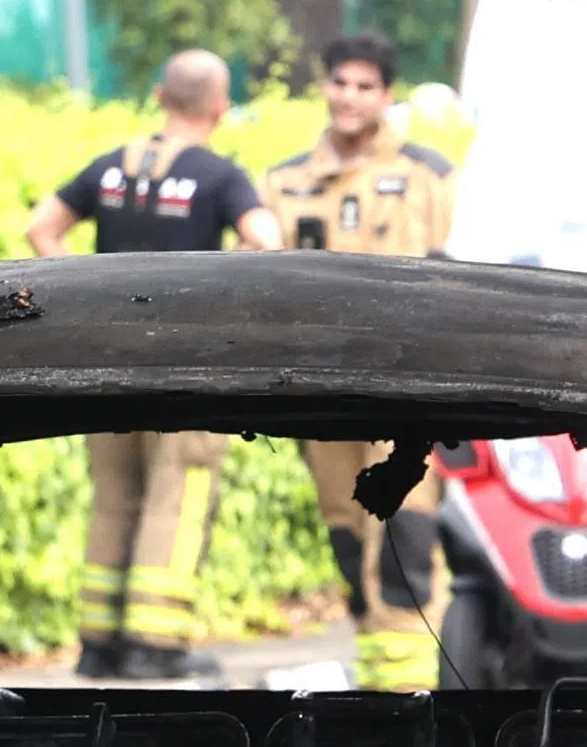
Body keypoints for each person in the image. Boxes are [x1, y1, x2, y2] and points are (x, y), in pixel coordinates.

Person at [29, 49, 280, 677]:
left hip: (106, 361)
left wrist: (85, 295)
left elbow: (41, 229)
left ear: (159, 96)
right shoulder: (220, 175)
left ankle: (97, 644)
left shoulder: (111, 167)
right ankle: (155, 648)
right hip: (185, 364)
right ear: (221, 108)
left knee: (113, 493)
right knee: (179, 493)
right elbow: (265, 240)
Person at [257, 34, 458, 691]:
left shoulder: (430, 175)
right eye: (340, 82)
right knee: (348, 536)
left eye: (365, 86)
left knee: (407, 532)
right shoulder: (284, 180)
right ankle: (379, 686)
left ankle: (422, 691)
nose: (349, 96)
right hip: (322, 390)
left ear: (387, 96)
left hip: (410, 390)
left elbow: (466, 277)